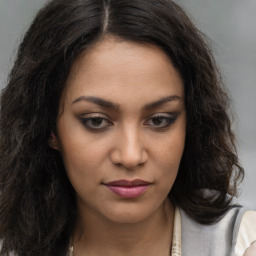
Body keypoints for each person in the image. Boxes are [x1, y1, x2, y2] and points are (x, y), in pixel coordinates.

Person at [0, 0, 255, 255]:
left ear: (192, 122)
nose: (131, 156)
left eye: (159, 120)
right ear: (48, 127)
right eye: (97, 121)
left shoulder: (244, 244)